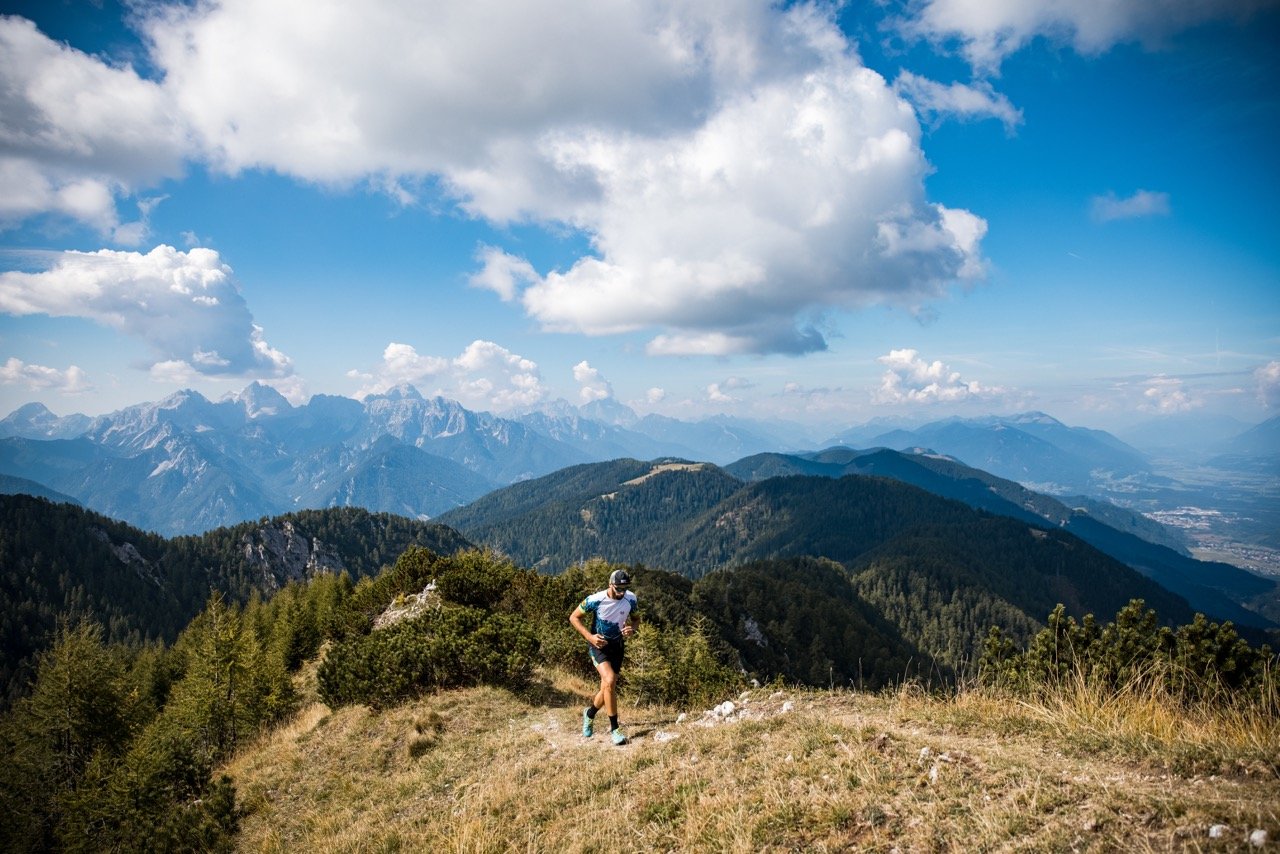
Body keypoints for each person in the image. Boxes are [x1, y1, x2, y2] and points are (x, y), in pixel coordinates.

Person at [569, 568, 640, 745]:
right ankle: (615, 729)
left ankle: (589, 714)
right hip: (598, 646)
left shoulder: (631, 598)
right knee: (609, 680)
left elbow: (636, 619)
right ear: (610, 585)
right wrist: (590, 637)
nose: (621, 592)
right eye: (618, 589)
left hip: (617, 646)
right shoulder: (595, 599)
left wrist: (632, 629)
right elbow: (574, 617)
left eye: (624, 589)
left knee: (608, 686)